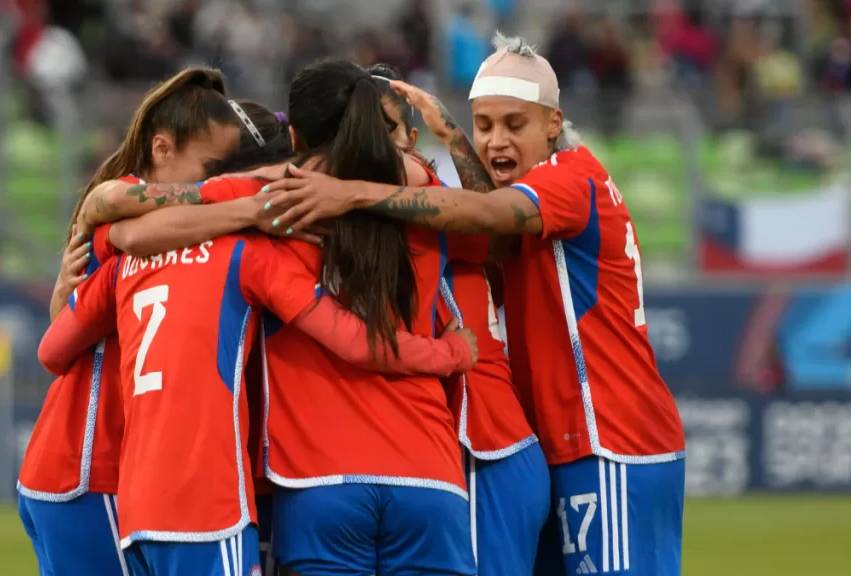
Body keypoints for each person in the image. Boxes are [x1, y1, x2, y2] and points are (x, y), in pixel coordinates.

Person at [259, 34, 687, 576]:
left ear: (553, 123)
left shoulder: (567, 179)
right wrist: (451, 137)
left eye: (514, 124)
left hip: (607, 436)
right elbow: (490, 232)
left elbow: (486, 217)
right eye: (484, 125)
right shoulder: (528, 197)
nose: (496, 141)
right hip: (556, 440)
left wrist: (356, 192)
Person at [86, 59, 481, 576]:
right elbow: (493, 225)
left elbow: (119, 209)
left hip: (321, 481)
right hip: (432, 475)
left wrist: (112, 233)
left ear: (293, 135)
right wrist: (454, 350)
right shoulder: (427, 195)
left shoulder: (271, 202)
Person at [35, 206, 478, 576]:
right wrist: (453, 351)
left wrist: (79, 268)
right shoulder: (248, 254)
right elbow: (356, 342)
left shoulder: (124, 260)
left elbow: (51, 350)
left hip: (136, 505)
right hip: (210, 502)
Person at [17, 67, 253, 576]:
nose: (215, 181)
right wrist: (246, 202)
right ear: (161, 149)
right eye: (210, 167)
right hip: (90, 461)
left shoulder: (146, 225)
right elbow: (107, 200)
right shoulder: (125, 211)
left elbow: (61, 328)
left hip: (75, 467)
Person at [368, 61, 551, 576]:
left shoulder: (431, 208)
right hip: (473, 452)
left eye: (382, 126)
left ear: (409, 139)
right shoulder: (406, 216)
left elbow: (496, 232)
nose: (368, 140)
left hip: (487, 448)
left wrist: (450, 134)